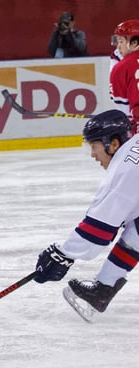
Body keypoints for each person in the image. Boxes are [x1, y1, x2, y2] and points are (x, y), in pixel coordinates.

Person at [32, 110, 139, 322]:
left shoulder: (124, 172)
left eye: (94, 146)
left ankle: (104, 288)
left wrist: (63, 254)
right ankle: (104, 288)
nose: (93, 155)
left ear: (113, 144)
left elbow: (101, 227)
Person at [109, 20, 139, 126]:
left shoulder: (121, 68)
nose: (118, 47)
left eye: (121, 41)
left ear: (134, 43)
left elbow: (124, 112)